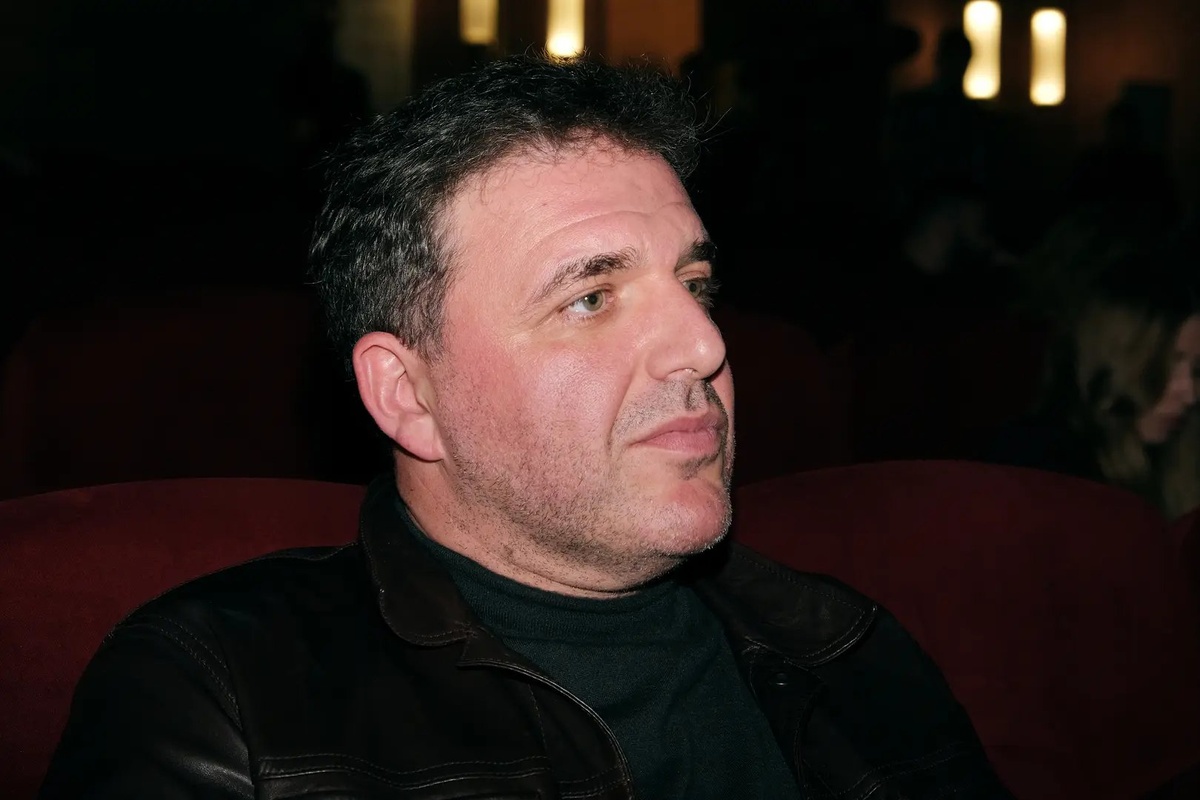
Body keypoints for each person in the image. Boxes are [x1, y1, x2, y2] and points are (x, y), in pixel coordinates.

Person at [39, 54, 1011, 798]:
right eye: (590, 297)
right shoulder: (222, 699)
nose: (704, 343)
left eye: (697, 284)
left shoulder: (847, 649)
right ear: (407, 394)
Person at [985, 251, 1200, 519]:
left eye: (1196, 370)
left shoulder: (1178, 460)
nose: (1189, 393)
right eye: (1166, 366)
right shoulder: (1035, 466)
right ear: (1120, 358)